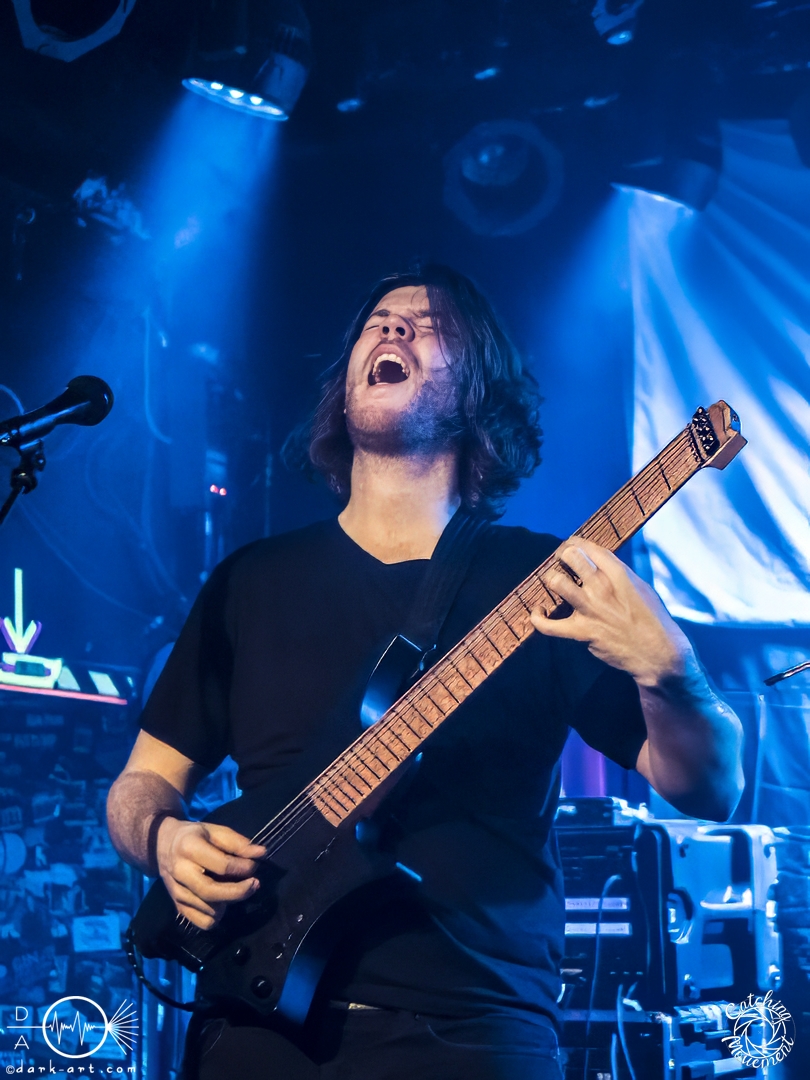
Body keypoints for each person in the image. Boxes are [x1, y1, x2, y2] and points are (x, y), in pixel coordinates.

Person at [107, 265, 744, 1080]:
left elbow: (710, 786)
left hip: (472, 1033)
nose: (392, 328)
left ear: (480, 389)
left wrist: (671, 671)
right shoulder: (250, 581)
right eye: (377, 320)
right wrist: (164, 839)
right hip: (253, 1027)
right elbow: (141, 784)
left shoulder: (549, 580)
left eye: (429, 323)